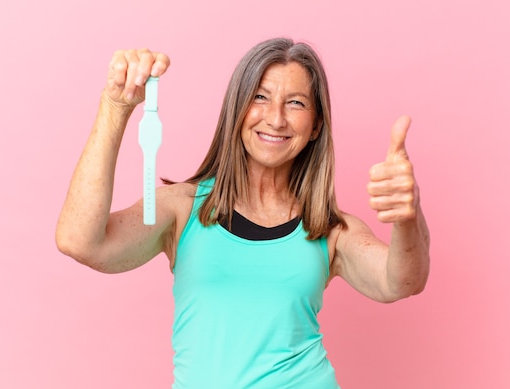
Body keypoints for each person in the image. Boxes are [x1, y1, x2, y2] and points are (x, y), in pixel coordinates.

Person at [56, 37, 430, 389]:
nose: (276, 118)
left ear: (316, 125)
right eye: (260, 97)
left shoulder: (329, 229)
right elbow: (80, 242)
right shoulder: (182, 208)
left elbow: (401, 281)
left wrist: (408, 216)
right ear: (237, 108)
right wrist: (116, 106)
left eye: (296, 103)